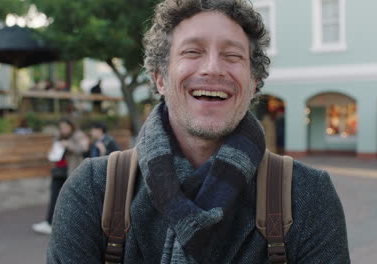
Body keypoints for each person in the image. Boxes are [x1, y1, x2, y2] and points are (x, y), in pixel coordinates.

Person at [47, 0, 350, 263]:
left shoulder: (307, 196)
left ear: (253, 83)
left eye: (232, 55)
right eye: (192, 51)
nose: (213, 68)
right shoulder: (93, 190)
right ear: (160, 78)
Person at [32, 118, 89, 235]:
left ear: (71, 126)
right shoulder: (59, 136)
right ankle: (50, 223)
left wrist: (69, 145)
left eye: (65, 127)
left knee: (71, 198)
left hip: (71, 172)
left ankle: (72, 224)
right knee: (54, 197)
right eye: (61, 127)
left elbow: (84, 148)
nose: (63, 129)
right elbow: (55, 151)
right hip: (58, 170)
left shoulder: (78, 135)